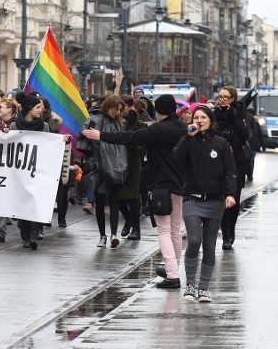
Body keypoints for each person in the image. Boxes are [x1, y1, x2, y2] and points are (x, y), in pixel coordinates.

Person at [82, 94, 187, 288]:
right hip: (180, 185)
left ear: (159, 110)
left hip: (160, 185)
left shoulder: (157, 130)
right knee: (175, 230)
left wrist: (101, 135)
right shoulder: (183, 128)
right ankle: (174, 266)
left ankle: (172, 275)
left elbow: (129, 137)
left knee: (163, 230)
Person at [173, 106, 237, 303]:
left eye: (203, 117)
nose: (199, 120)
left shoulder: (221, 144)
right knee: (193, 240)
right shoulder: (188, 140)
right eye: (196, 117)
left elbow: (230, 171)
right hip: (192, 198)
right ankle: (190, 285)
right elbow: (176, 159)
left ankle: (204, 288)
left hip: (215, 200)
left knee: (209, 245)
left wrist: (230, 194)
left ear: (210, 120)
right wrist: (187, 137)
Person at [82, 95, 128, 249]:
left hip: (116, 166)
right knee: (100, 202)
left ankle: (113, 234)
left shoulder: (119, 122)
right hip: (99, 167)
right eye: (116, 109)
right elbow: (84, 141)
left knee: (113, 201)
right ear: (109, 106)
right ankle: (103, 235)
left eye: (120, 110)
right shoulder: (95, 120)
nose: (118, 112)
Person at [9, 92, 49, 250]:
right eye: (38, 107)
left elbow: (48, 145)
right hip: (20, 171)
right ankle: (25, 234)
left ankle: (33, 234)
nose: (41, 110)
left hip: (37, 169)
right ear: (29, 108)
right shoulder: (14, 126)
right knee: (22, 202)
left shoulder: (44, 126)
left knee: (34, 202)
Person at [213, 86, 249, 250]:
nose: (222, 100)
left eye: (225, 97)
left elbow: (245, 134)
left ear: (233, 98)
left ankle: (230, 231)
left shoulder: (239, 112)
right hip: (218, 161)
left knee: (233, 199)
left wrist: (233, 117)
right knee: (220, 199)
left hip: (237, 162)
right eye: (220, 97)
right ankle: (224, 231)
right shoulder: (214, 113)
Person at [117, 96, 146, 241]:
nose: (119, 111)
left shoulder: (140, 125)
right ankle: (128, 220)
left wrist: (131, 146)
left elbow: (143, 146)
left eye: (122, 107)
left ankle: (136, 229)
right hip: (116, 164)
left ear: (129, 107)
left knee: (133, 198)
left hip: (133, 164)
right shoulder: (115, 122)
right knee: (118, 197)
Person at [0, 97, 18, 242]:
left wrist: (12, 132)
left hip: (16, 167)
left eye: (2, 107)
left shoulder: (18, 124)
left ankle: (29, 227)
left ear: (10, 110)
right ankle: (0, 231)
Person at [245, 107, 264, 182]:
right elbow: (259, 134)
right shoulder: (255, 122)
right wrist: (263, 145)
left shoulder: (246, 122)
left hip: (249, 144)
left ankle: (248, 174)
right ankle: (250, 174)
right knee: (251, 160)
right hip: (254, 145)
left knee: (248, 160)